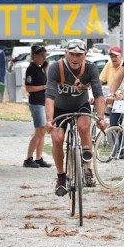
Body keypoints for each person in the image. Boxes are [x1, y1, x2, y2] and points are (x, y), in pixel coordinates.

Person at [44, 39, 107, 196]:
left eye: (79, 55)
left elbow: (99, 95)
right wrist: (49, 120)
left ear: (85, 55)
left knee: (84, 127)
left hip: (81, 106)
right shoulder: (56, 68)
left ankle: (87, 169)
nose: (75, 58)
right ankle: (60, 177)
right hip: (59, 108)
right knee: (57, 139)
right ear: (66, 53)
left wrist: (101, 117)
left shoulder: (91, 69)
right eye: (72, 54)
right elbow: (50, 97)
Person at [23, 45, 51, 168]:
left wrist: (46, 69)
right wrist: (44, 87)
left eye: (45, 57)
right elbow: (29, 88)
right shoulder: (31, 69)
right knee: (39, 131)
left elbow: (50, 81)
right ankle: (28, 158)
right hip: (36, 103)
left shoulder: (40, 68)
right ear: (35, 56)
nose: (44, 59)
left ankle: (39, 158)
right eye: (42, 56)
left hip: (43, 101)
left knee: (42, 131)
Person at [98, 46, 124, 128]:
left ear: (121, 56)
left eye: (115, 56)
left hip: (123, 98)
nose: (113, 58)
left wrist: (117, 92)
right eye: (111, 56)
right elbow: (100, 80)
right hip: (112, 100)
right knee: (114, 126)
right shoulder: (108, 65)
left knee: (119, 126)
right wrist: (96, 93)